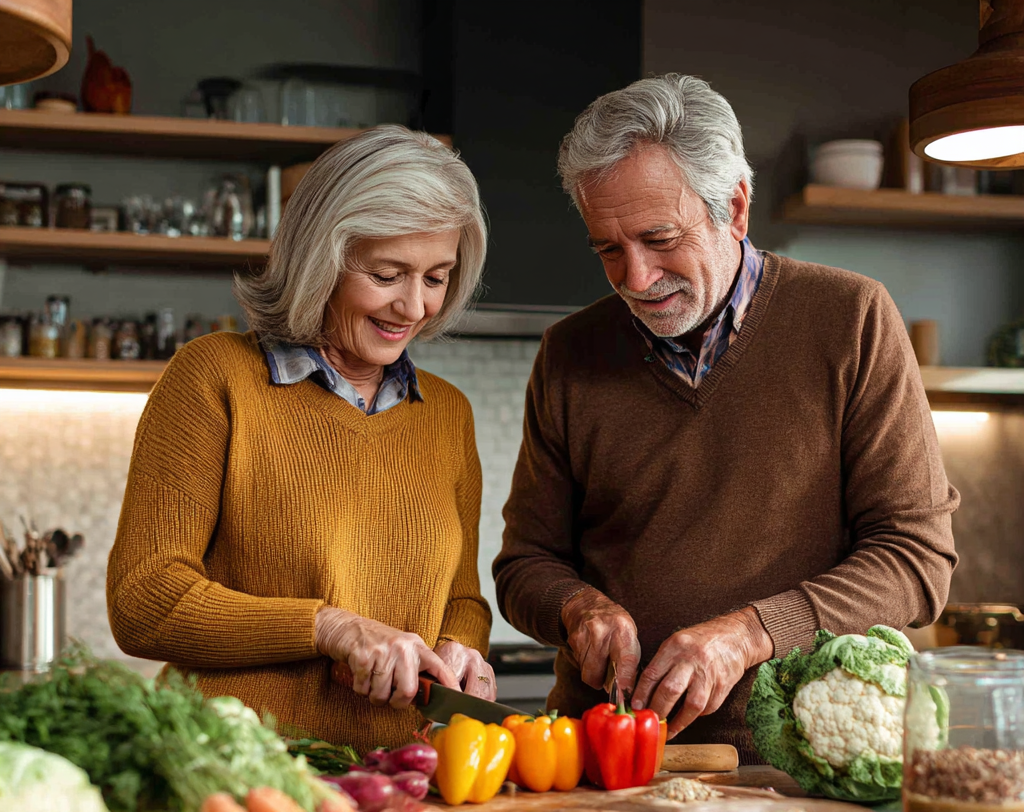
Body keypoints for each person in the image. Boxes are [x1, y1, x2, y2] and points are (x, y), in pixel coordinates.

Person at [493, 75, 959, 761]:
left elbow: (917, 561)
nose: (636, 278)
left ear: (735, 208)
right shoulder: (570, 353)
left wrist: (752, 633)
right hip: (606, 760)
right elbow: (524, 563)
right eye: (608, 250)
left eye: (660, 238)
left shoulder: (850, 319)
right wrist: (576, 609)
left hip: (797, 762)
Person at [108, 125, 495, 754]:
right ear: (323, 257)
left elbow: (462, 596)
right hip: (236, 769)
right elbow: (144, 600)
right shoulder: (215, 377)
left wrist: (462, 646)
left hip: (403, 776)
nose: (413, 307)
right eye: (388, 273)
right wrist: (328, 628)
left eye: (436, 277)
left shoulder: (447, 413)